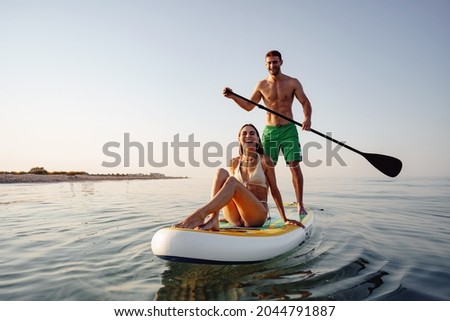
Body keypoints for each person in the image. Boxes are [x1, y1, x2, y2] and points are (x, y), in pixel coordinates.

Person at [223, 50, 312, 215]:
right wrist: (233, 96)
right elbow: (249, 106)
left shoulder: (292, 82)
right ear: (266, 65)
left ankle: (300, 204)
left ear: (281, 62)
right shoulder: (261, 85)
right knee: (265, 167)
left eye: (275, 62)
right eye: (269, 63)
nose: (272, 65)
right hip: (270, 131)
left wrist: (307, 118)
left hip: (288, 129)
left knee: (294, 166)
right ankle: (264, 206)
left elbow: (305, 102)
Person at [173, 124, 303, 230]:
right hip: (236, 217)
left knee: (233, 181)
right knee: (221, 172)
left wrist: (284, 218)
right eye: (244, 133)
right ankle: (214, 218)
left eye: (252, 133)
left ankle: (199, 215)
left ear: (258, 139)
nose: (248, 136)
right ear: (239, 139)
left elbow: (274, 190)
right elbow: (228, 192)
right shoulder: (234, 162)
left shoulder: (265, 161)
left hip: (256, 215)